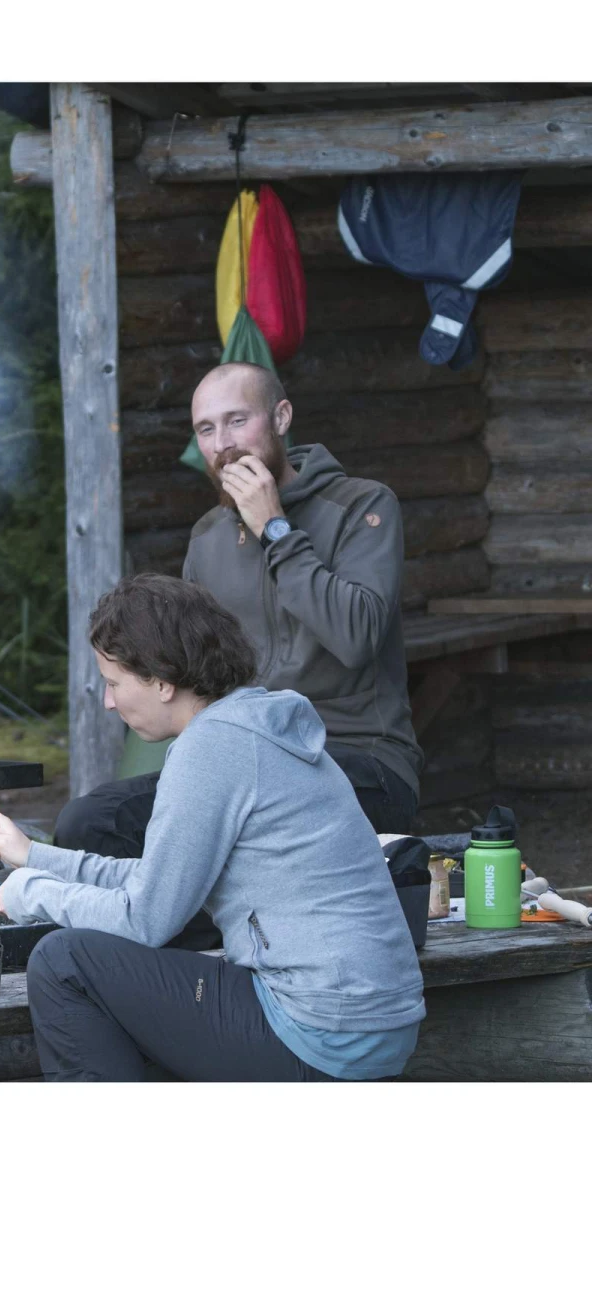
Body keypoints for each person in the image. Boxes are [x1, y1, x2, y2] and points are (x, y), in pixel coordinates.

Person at [0, 574, 425, 1083]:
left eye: (114, 683)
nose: (109, 702)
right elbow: (157, 881)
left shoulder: (210, 750)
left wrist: (33, 893)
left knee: (63, 961)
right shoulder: (252, 726)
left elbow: (146, 918)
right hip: (372, 1021)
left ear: (162, 681)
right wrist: (33, 856)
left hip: (322, 1029)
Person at [55, 362, 423, 943]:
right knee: (91, 821)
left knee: (239, 831)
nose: (222, 444)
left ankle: (241, 959)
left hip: (357, 761)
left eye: (236, 421)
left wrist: (276, 528)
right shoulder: (208, 538)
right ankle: (173, 967)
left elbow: (356, 637)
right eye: (206, 429)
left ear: (281, 418)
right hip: (239, 764)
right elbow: (194, 678)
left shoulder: (362, 506)